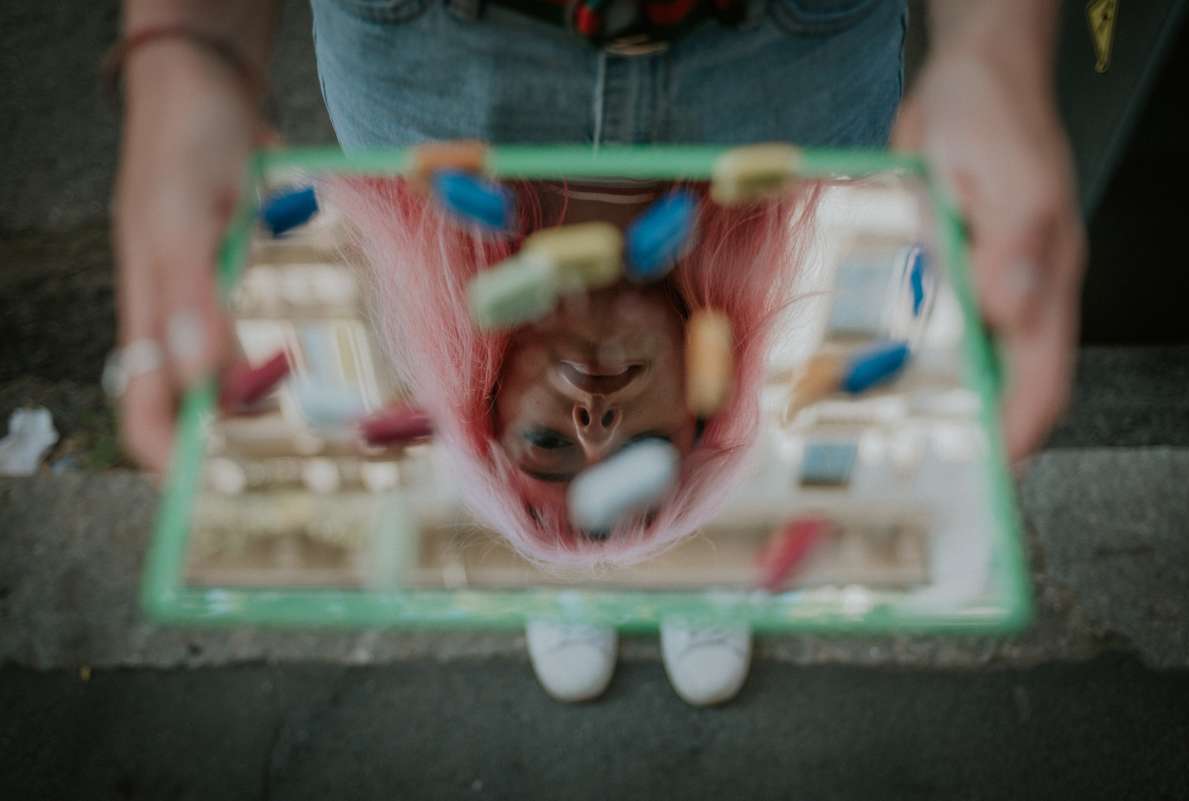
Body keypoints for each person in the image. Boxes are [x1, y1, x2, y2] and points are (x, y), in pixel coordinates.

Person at [109, 0, 1086, 704]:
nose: (592, 425)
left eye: (547, 450)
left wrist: (994, 47)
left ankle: (636, 559)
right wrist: (188, 50)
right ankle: (633, 562)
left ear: (484, 398)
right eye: (637, 464)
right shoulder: (801, 206)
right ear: (705, 409)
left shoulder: (424, 203)